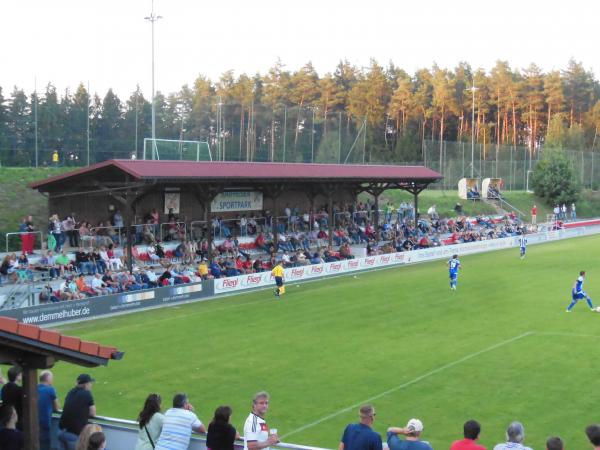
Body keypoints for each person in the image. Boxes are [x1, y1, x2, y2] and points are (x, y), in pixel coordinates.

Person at [58, 374, 96, 450]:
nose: (91, 385)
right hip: (73, 434)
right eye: (90, 383)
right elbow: (93, 413)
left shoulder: (71, 392)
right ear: (86, 384)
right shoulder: (87, 394)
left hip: (61, 431)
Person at [38, 370, 60, 450]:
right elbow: (57, 407)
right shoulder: (50, 390)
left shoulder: (34, 388)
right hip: (44, 423)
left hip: (33, 423)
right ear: (48, 379)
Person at [1, 366, 23, 430]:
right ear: (17, 376)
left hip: (6, 419)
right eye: (20, 374)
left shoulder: (4, 388)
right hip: (17, 420)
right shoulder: (19, 390)